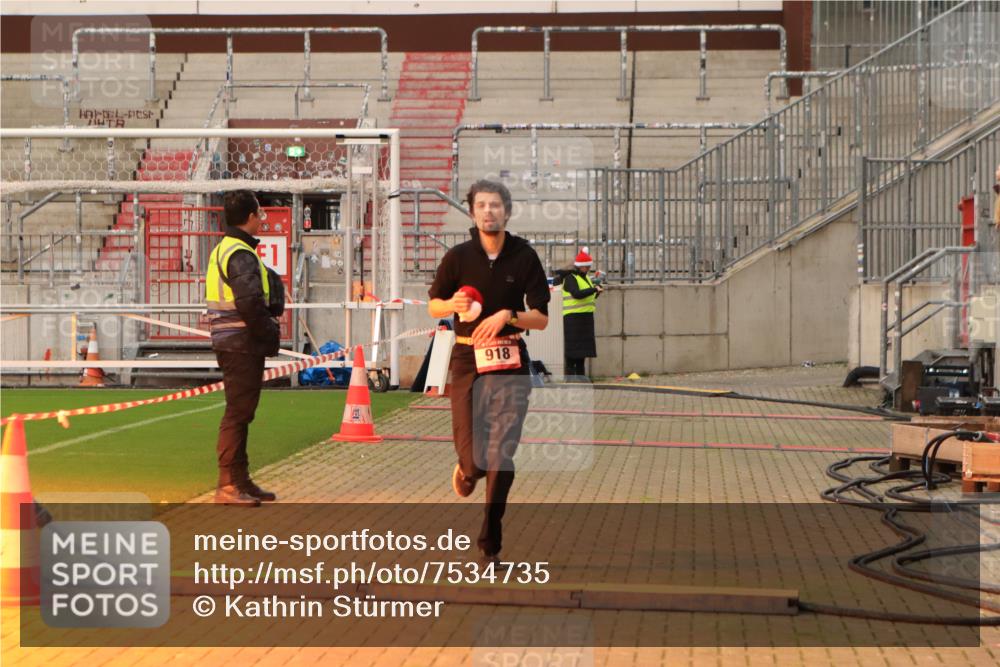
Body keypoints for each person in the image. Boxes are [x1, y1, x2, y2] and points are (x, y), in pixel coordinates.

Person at [428, 179, 550, 564]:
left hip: (511, 362)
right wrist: (451, 302)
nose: (488, 211)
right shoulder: (459, 257)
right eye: (481, 205)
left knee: (502, 456)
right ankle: (467, 471)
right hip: (466, 361)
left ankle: (490, 541)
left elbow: (542, 318)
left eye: (495, 205)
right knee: (475, 460)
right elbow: (433, 305)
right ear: (472, 211)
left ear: (507, 212)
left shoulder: (524, 256)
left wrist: (507, 315)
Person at [205, 190, 282, 507]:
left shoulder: (226, 248)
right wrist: (269, 335)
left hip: (233, 339)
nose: (262, 220)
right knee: (238, 413)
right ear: (251, 216)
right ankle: (228, 483)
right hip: (241, 341)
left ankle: (240, 479)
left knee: (242, 412)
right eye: (260, 214)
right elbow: (250, 302)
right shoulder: (239, 253)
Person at [560, 248, 602, 381]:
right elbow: (577, 294)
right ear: (580, 266)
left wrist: (597, 292)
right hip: (573, 319)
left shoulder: (587, 279)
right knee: (573, 350)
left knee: (582, 351)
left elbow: (588, 298)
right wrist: (593, 289)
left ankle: (581, 376)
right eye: (587, 266)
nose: (589, 268)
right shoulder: (570, 278)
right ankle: (571, 376)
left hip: (585, 318)